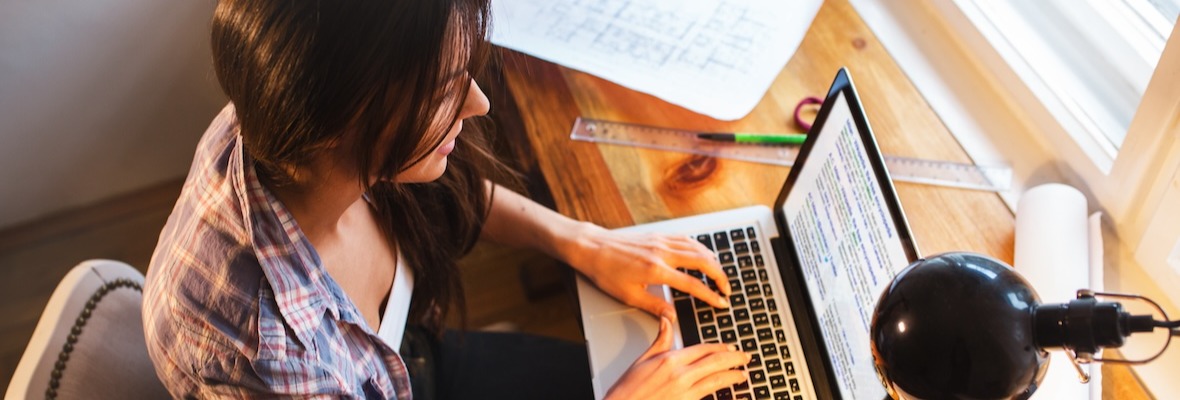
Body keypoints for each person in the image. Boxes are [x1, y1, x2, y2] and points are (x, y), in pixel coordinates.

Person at [142, 0, 750, 398]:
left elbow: (452, 194)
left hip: (412, 360)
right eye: (442, 90)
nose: (479, 102)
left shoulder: (293, 112)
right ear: (337, 121)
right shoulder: (269, 360)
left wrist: (584, 243)